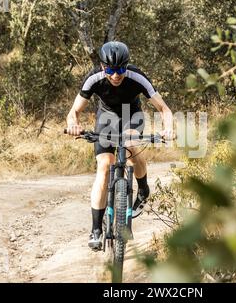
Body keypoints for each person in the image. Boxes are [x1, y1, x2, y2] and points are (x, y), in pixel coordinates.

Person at [66, 41, 173, 251]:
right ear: (102, 66)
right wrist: (73, 124)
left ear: (127, 65)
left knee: (131, 142)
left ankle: (142, 188)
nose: (116, 75)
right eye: (111, 70)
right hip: (106, 117)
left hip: (131, 114)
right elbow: (74, 112)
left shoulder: (137, 76)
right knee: (104, 166)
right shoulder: (94, 78)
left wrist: (168, 129)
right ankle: (96, 230)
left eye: (121, 69)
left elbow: (164, 109)